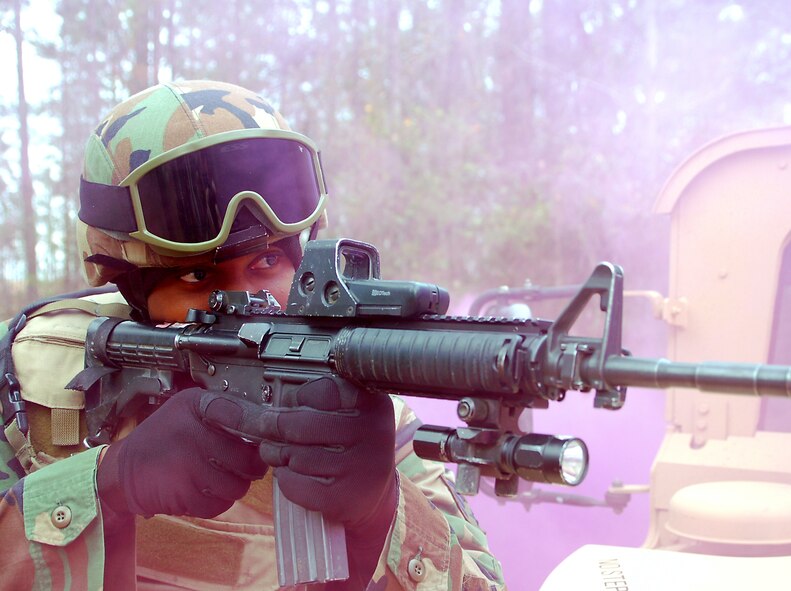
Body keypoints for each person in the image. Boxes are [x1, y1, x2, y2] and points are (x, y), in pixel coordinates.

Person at [0, 80, 506, 590]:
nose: (247, 302)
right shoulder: (30, 379)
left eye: (267, 261)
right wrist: (109, 484)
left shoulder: (369, 423)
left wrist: (382, 515)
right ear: (133, 290)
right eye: (197, 275)